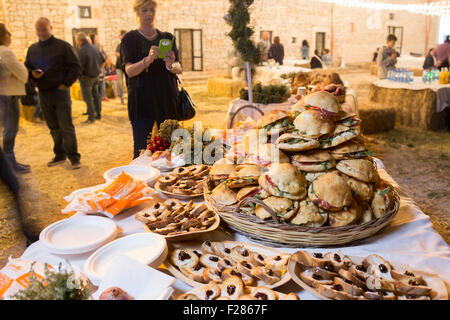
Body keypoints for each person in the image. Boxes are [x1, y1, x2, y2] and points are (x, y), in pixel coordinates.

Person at [121, 0, 182, 159]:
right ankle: (142, 181)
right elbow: (129, 71)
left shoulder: (167, 37)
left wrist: (170, 65)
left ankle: (170, 181)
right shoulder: (129, 39)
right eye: (144, 10)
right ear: (137, 12)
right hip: (141, 102)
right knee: (142, 150)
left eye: (152, 10)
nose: (149, 14)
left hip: (166, 100)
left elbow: (178, 68)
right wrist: (147, 60)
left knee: (171, 149)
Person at [25, 17, 82, 169]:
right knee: (53, 127)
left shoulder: (63, 46)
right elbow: (26, 69)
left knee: (66, 126)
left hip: (60, 92)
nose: (41, 32)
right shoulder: (32, 50)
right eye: (39, 29)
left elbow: (76, 67)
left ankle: (74, 157)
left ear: (51, 28)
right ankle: (60, 154)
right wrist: (32, 74)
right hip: (43, 93)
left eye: (44, 29)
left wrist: (66, 83)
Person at [0, 23, 31, 173]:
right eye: (7, 33)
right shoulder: (6, 52)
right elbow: (24, 75)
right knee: (10, 129)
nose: (10, 35)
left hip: (4, 94)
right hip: (9, 95)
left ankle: (9, 162)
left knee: (8, 129)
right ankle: (10, 164)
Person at [76, 32, 103, 123]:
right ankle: (98, 114)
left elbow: (80, 65)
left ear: (79, 40)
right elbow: (102, 59)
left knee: (88, 97)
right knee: (96, 96)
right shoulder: (93, 47)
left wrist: (78, 76)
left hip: (87, 77)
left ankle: (91, 117)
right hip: (96, 75)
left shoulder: (82, 50)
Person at [89, 33, 108, 101]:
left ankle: (103, 96)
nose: (97, 39)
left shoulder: (99, 45)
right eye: (96, 38)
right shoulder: (91, 46)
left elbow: (104, 55)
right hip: (94, 67)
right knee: (97, 82)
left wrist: (103, 65)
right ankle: (98, 96)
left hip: (100, 66)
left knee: (102, 81)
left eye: (97, 37)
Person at [115, 30, 127, 104]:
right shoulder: (119, 45)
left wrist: (120, 55)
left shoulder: (127, 45)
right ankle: (122, 99)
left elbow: (120, 55)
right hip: (119, 67)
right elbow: (116, 53)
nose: (118, 36)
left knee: (128, 82)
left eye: (119, 35)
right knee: (120, 83)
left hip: (125, 66)